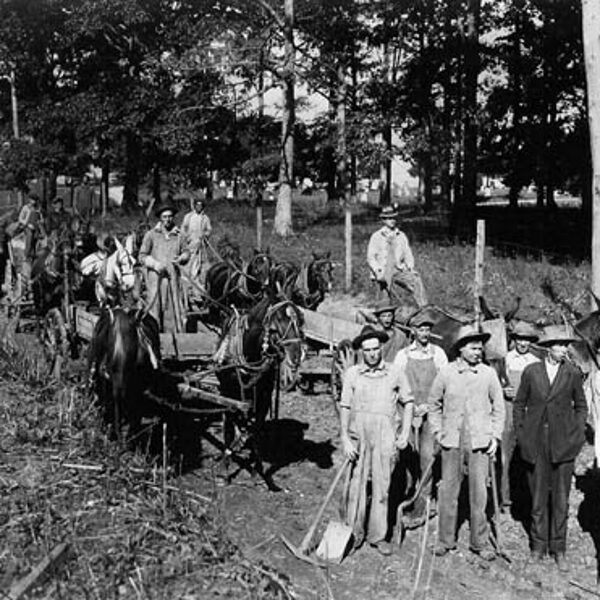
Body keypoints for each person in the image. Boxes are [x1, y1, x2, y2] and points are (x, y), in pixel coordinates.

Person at [428, 323, 505, 561]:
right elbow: (433, 405)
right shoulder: (447, 373)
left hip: (479, 442)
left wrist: (495, 436)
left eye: (480, 349)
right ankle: (445, 540)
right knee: (449, 491)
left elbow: (499, 409)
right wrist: (439, 432)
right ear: (461, 349)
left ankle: (479, 542)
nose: (478, 352)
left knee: (479, 494)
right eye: (473, 348)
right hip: (452, 441)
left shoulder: (488, 374)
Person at [514, 325, 587, 571]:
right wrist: (522, 433)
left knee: (561, 499)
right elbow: (518, 404)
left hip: (563, 442)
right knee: (536, 497)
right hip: (535, 441)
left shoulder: (572, 373)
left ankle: (559, 548)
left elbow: (581, 406)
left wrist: (575, 435)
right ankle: (538, 546)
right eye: (559, 344)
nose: (564, 349)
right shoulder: (531, 371)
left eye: (566, 345)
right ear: (548, 347)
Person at [340, 325, 414, 556]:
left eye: (375, 349)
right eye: (367, 350)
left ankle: (377, 536)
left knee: (382, 487)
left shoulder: (394, 372)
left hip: (385, 434)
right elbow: (344, 406)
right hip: (358, 434)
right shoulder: (352, 373)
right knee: (356, 485)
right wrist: (344, 438)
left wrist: (404, 434)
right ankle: (352, 533)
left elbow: (408, 402)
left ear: (381, 348)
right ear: (361, 351)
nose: (372, 354)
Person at [394, 314, 448, 527]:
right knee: (406, 456)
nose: (424, 333)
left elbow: (444, 383)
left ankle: (422, 505)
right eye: (421, 329)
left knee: (427, 458)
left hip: (430, 414)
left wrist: (428, 405)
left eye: (427, 329)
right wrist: (409, 406)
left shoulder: (439, 354)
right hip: (406, 412)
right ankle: (402, 497)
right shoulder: (402, 355)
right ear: (413, 331)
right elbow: (396, 382)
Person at [501, 321, 540, 509]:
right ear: (514, 340)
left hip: (528, 410)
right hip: (508, 408)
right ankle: (504, 495)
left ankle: (524, 495)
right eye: (519, 339)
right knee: (505, 452)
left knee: (527, 452)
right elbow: (497, 381)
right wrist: (504, 389)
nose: (523, 343)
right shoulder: (505, 359)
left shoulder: (535, 362)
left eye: (526, 340)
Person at [139, 201, 190, 333]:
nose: (167, 220)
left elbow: (186, 252)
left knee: (173, 310)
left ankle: (174, 338)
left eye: (170, 216)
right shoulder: (151, 235)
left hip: (173, 280)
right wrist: (155, 264)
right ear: (160, 218)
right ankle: (154, 336)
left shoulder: (179, 235)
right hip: (156, 280)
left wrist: (182, 258)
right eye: (164, 217)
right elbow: (142, 256)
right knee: (155, 309)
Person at [367, 205, 428, 307]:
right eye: (389, 218)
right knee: (384, 302)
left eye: (394, 218)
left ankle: (424, 308)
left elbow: (408, 254)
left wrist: (410, 268)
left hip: (397, 269)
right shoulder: (376, 236)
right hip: (383, 270)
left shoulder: (401, 236)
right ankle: (384, 315)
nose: (392, 220)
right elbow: (371, 258)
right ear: (383, 220)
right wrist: (377, 271)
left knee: (416, 280)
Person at [7, 193, 45, 299]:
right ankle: (28, 252)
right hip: (26, 227)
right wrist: (27, 224)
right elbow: (21, 219)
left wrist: (39, 223)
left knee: (42, 235)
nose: (32, 202)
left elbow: (41, 219)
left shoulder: (38, 209)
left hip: (36, 227)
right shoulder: (25, 208)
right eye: (31, 200)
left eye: (34, 200)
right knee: (30, 233)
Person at [181, 196, 212, 291]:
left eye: (200, 205)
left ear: (203, 207)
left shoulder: (205, 218)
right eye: (197, 205)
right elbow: (183, 228)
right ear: (194, 206)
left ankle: (194, 284)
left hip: (199, 245)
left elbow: (209, 230)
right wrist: (186, 237)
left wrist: (205, 235)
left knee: (196, 265)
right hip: (188, 245)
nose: (199, 207)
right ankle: (185, 283)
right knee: (186, 263)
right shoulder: (188, 216)